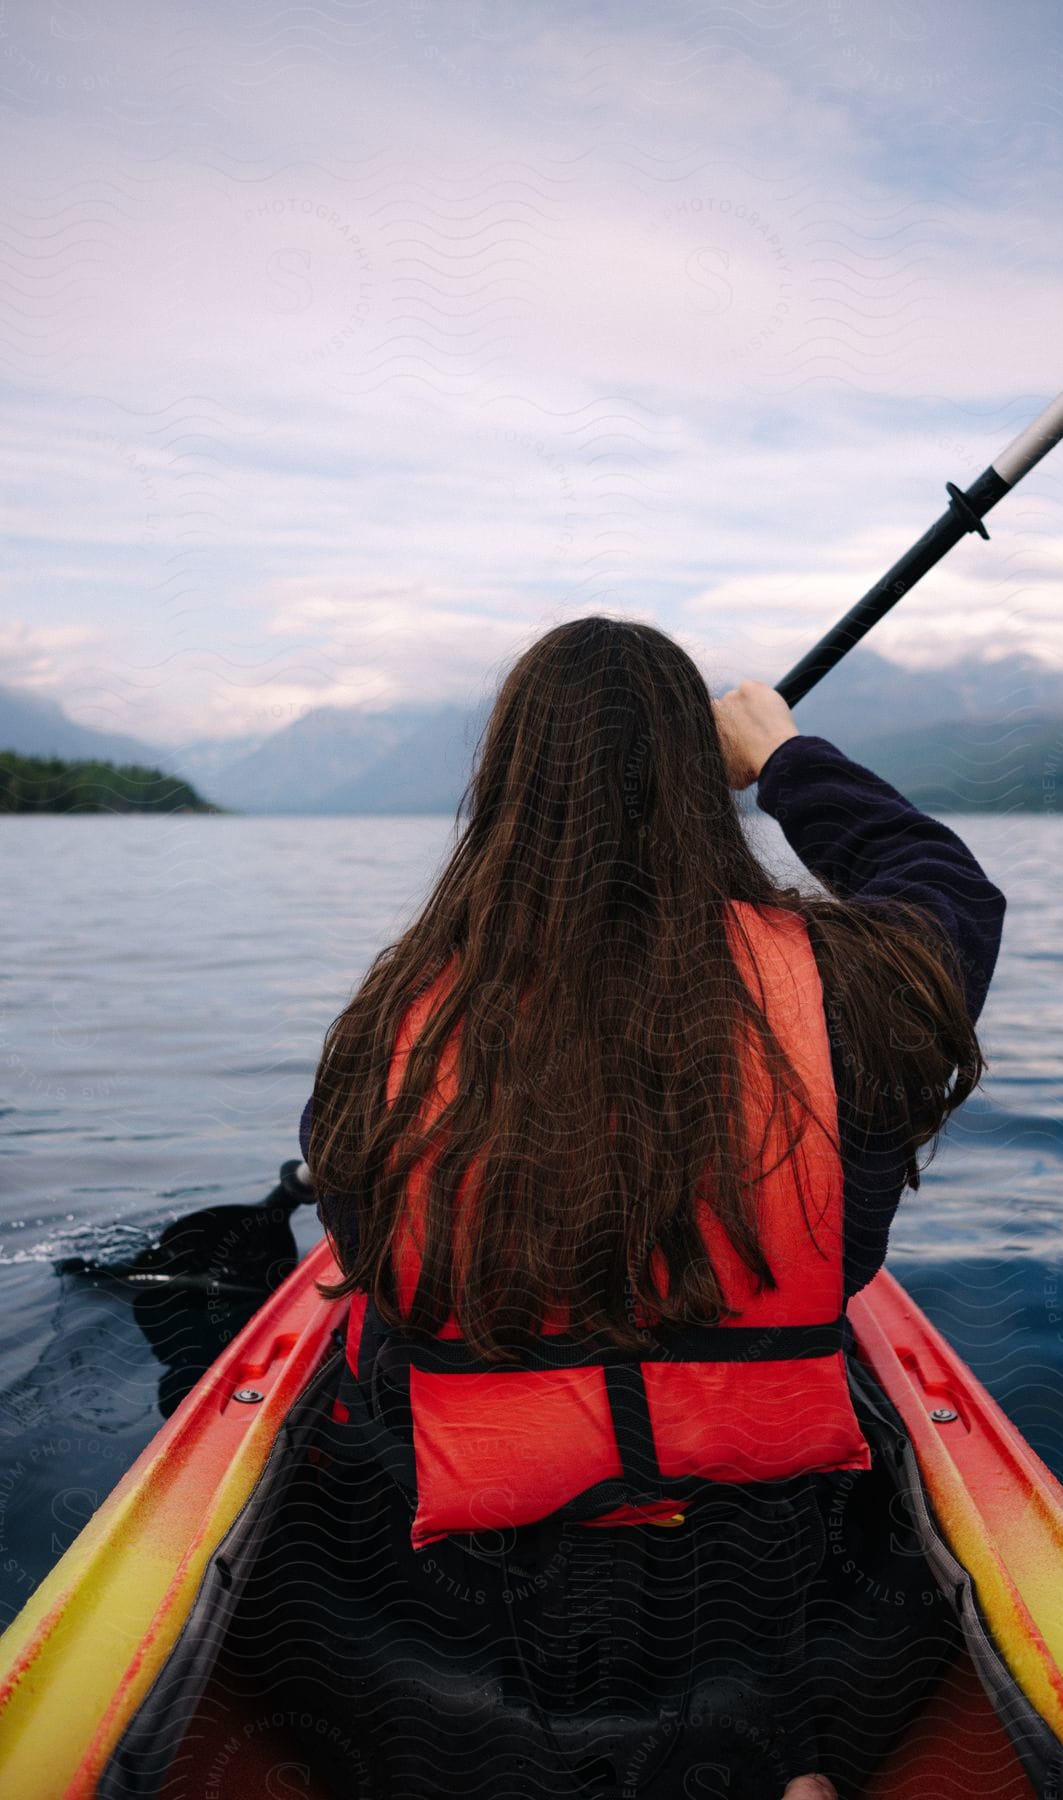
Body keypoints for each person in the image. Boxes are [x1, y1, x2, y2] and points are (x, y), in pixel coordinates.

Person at [300, 615, 1005, 1799]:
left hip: (476, 1585)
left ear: (503, 784)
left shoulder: (391, 1031)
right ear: (702, 786)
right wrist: (787, 758)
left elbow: (370, 1250)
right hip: (761, 1569)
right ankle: (789, 1763)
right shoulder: (848, 989)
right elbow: (946, 892)